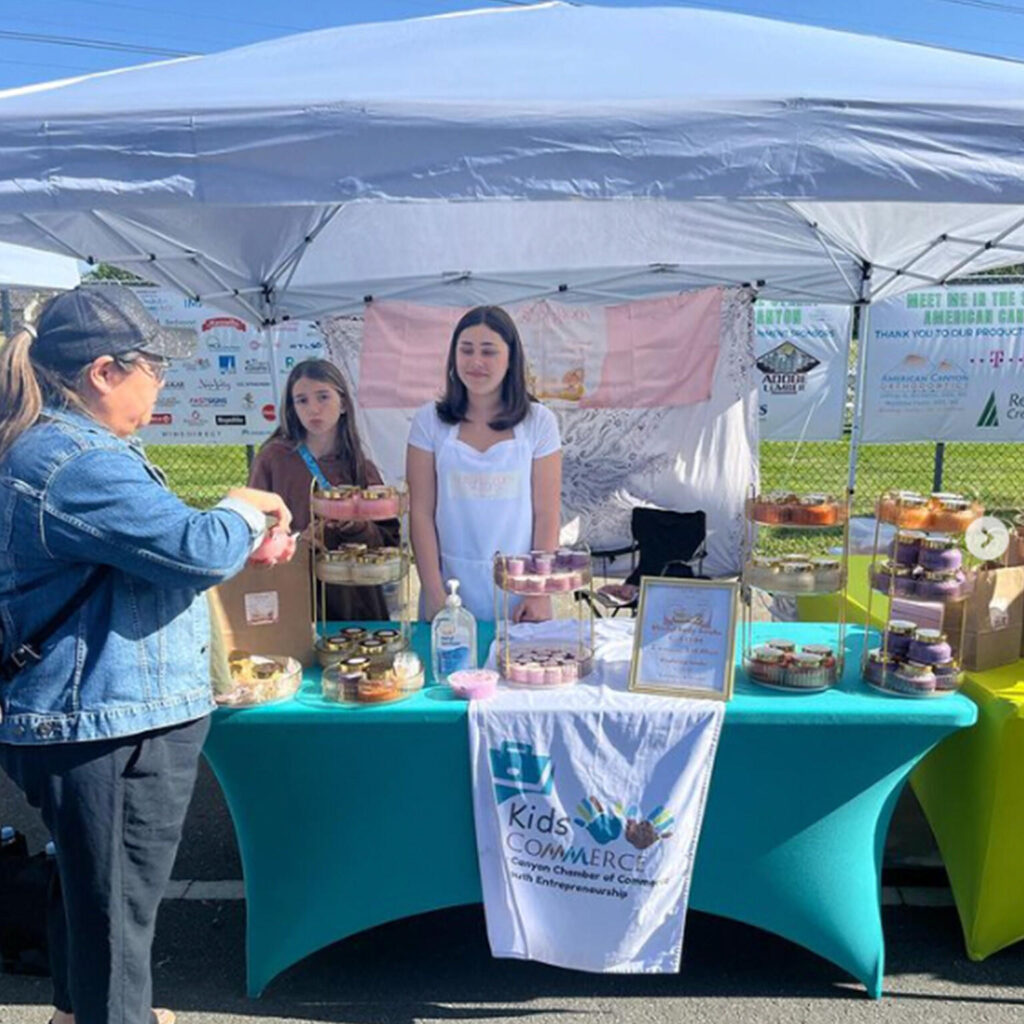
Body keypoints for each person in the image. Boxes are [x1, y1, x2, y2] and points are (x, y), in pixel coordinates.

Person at [0, 286, 291, 1024]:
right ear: (103, 371)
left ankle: (78, 1011)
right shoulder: (72, 460)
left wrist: (232, 541)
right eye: (154, 369)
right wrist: (243, 505)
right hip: (106, 723)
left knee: (93, 891)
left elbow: (148, 558)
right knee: (116, 915)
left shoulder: (65, 448)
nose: (160, 385)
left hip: (96, 715)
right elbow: (195, 548)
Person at [407, 305, 562, 623]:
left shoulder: (539, 423)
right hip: (449, 589)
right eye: (466, 350)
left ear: (510, 358)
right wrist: (433, 591)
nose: (476, 362)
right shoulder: (428, 422)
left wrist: (538, 592)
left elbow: (547, 515)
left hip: (520, 594)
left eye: (489, 351)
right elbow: (420, 512)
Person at [248, 358, 399, 621]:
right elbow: (252, 534)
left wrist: (357, 526)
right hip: (295, 598)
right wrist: (295, 542)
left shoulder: (360, 467)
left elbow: (389, 543)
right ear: (292, 408)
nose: (313, 409)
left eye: (323, 397)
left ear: (343, 404)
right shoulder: (273, 459)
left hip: (355, 604)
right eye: (302, 401)